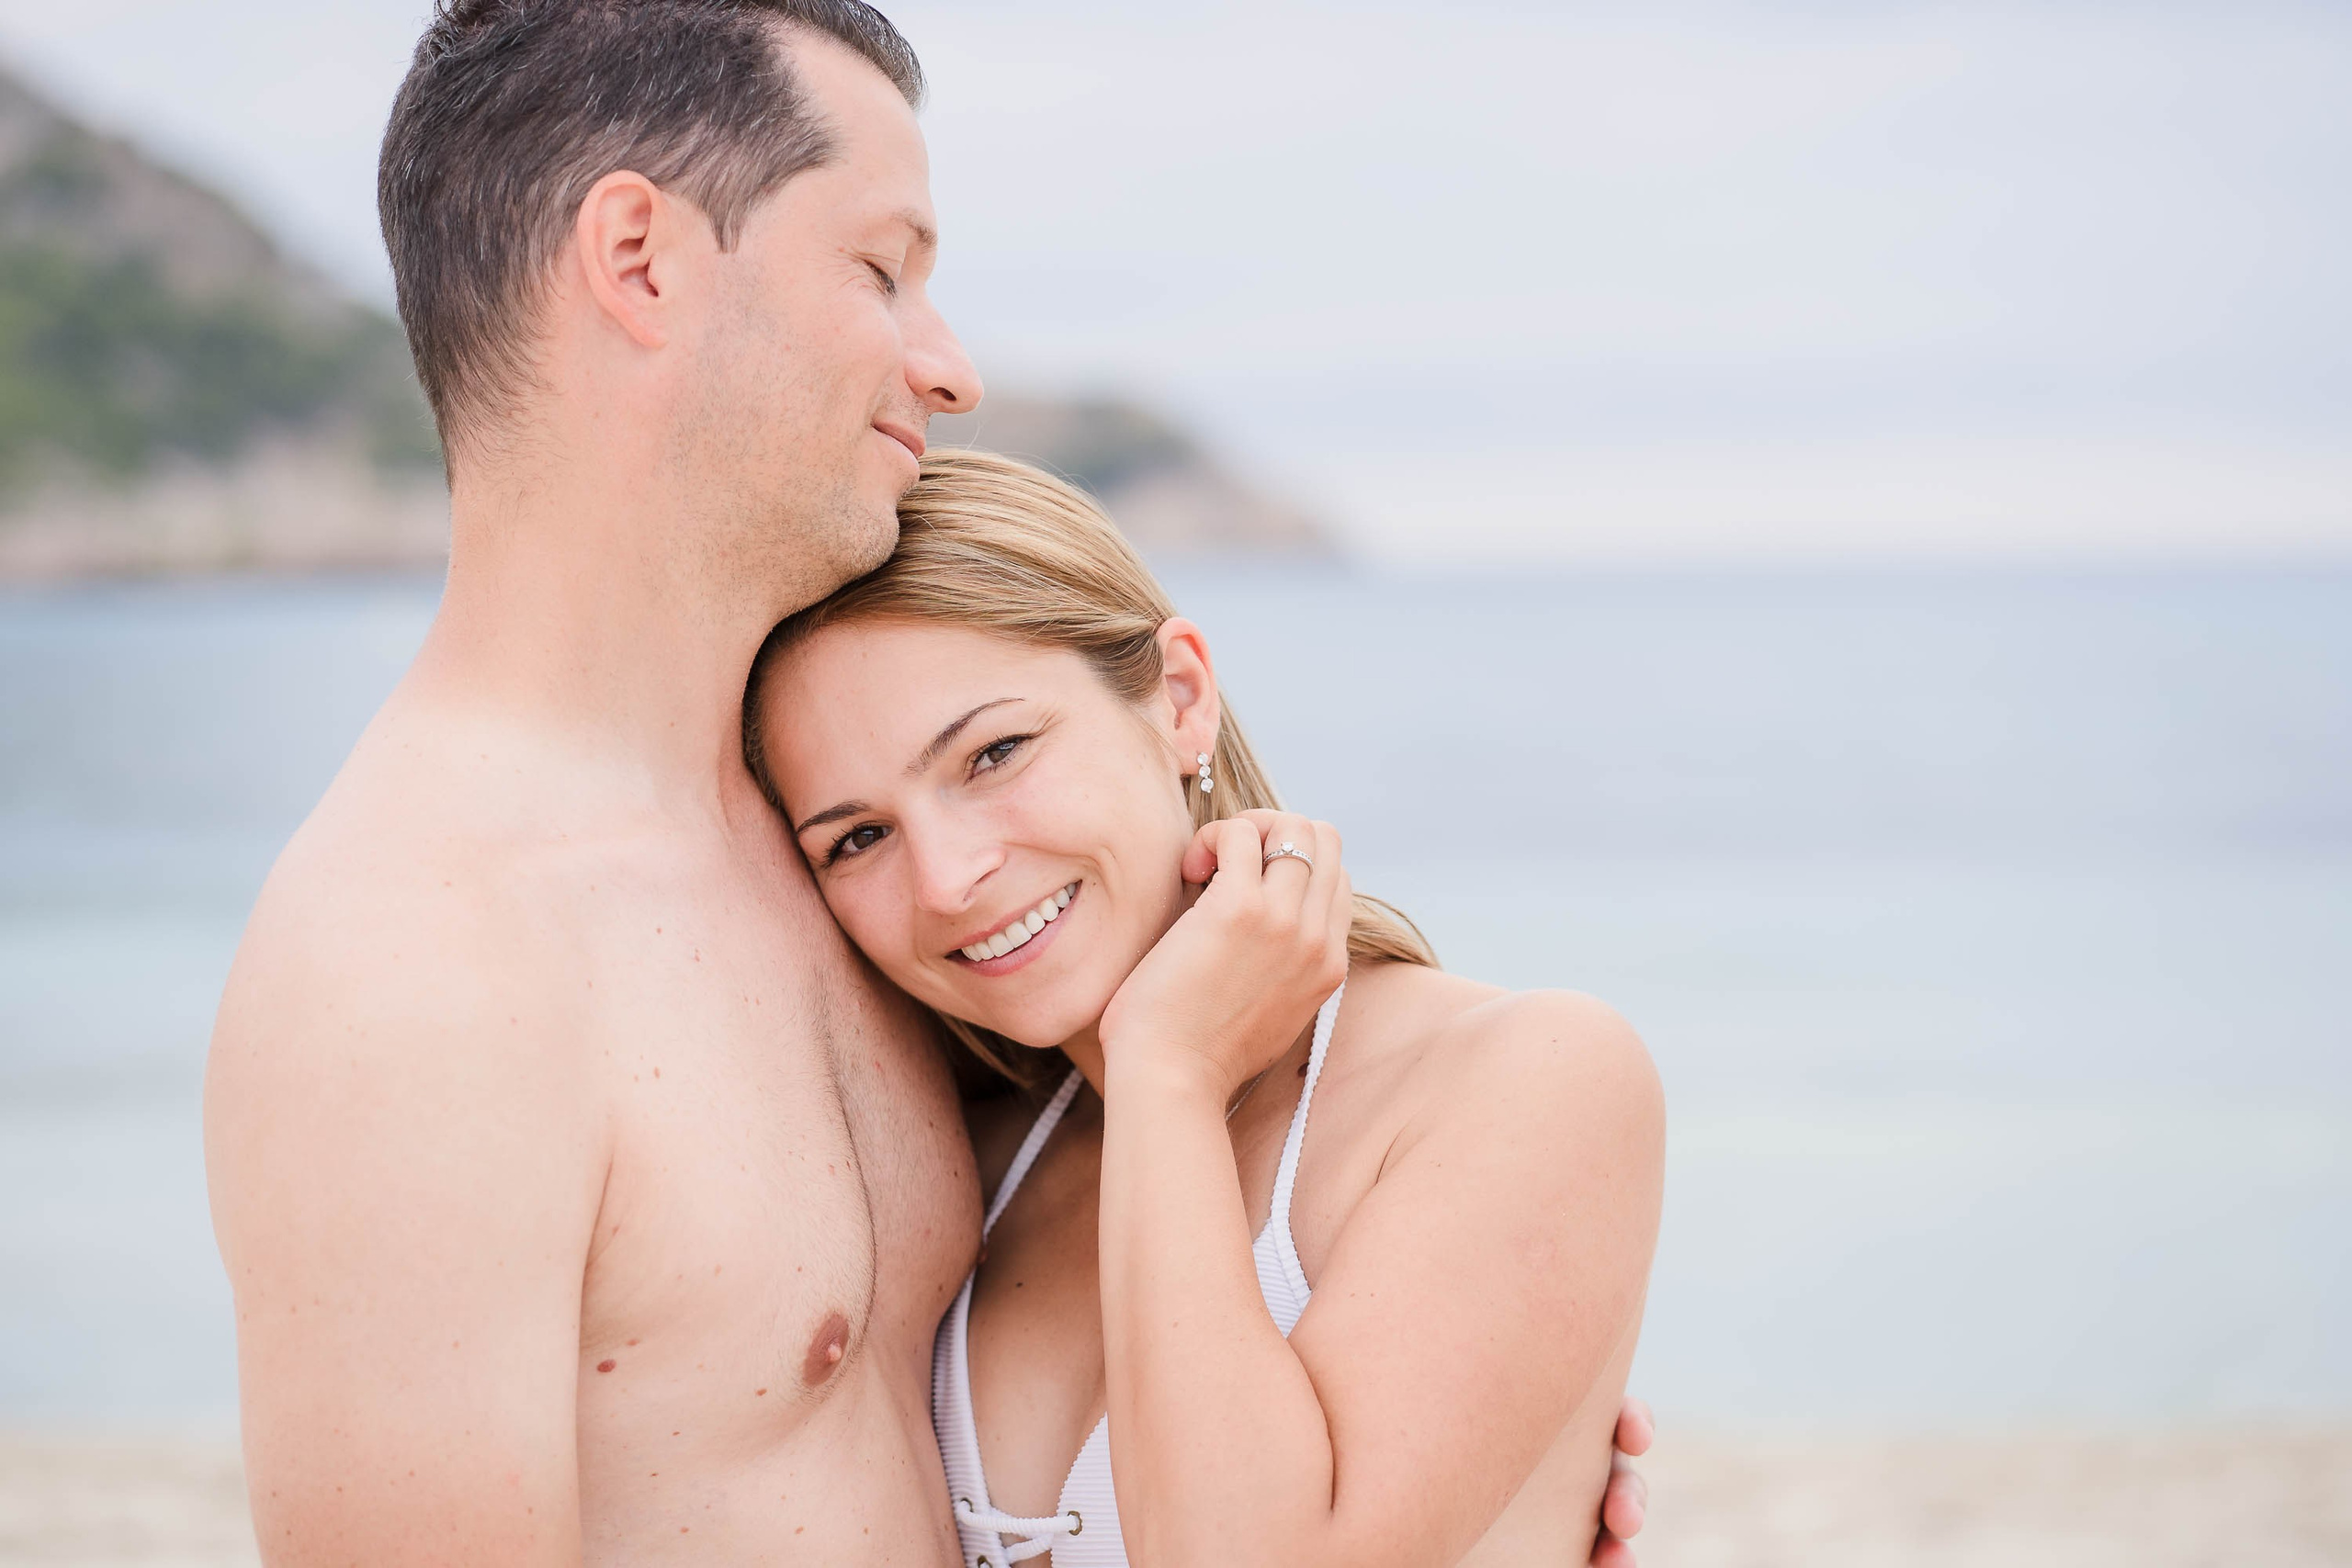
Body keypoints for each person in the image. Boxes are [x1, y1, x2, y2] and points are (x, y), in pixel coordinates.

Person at [203, 2, 1655, 1562]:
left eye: (992, 758)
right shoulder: (413, 966)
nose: (948, 367)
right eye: (882, 269)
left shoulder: (806, 866)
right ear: (641, 261)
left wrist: (1509, 1460)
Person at [746, 449, 1666, 1566]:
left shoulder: (1524, 1078)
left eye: (993, 753)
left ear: (1179, 698)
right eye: (856, 838)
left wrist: (1169, 1074)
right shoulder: (959, 1165)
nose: (945, 879)